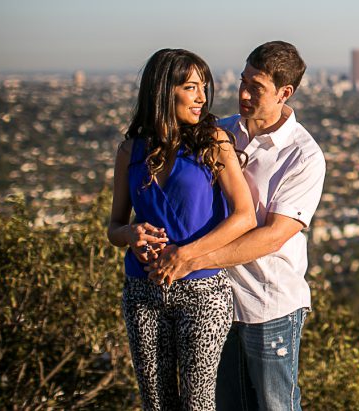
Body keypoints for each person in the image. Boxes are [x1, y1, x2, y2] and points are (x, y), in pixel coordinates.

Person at [148, 41, 325, 411]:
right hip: (218, 302)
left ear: (284, 93)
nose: (243, 93)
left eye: (256, 87)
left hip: (269, 305)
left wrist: (193, 259)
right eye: (243, 81)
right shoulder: (220, 133)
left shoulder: (302, 155)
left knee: (275, 405)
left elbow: (273, 236)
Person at [107, 48, 255, 411]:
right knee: (156, 403)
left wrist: (186, 255)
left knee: (198, 404)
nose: (202, 97)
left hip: (203, 292)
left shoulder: (214, 143)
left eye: (204, 87)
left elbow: (244, 216)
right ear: (162, 91)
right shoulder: (131, 151)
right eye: (191, 87)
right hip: (143, 291)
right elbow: (114, 227)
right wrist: (131, 235)